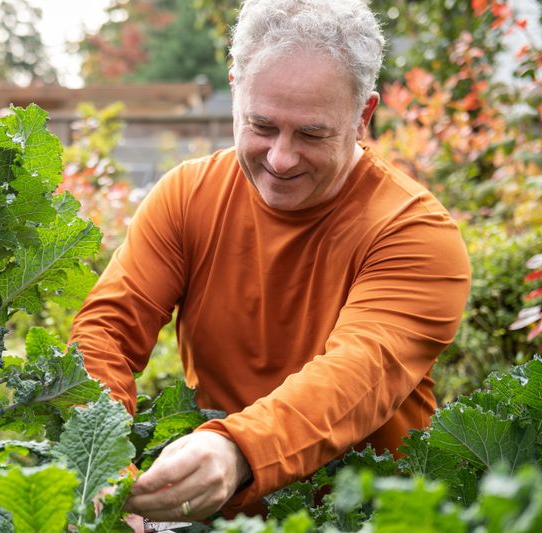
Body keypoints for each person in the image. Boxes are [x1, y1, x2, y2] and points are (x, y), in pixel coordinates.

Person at [69, 0, 471, 523]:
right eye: (261, 126)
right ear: (235, 88)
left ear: (363, 116)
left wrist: (237, 450)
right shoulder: (188, 196)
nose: (280, 159)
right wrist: (104, 468)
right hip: (220, 517)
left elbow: (356, 378)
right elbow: (106, 334)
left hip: (371, 515)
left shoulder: (414, 232)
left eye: (311, 134)